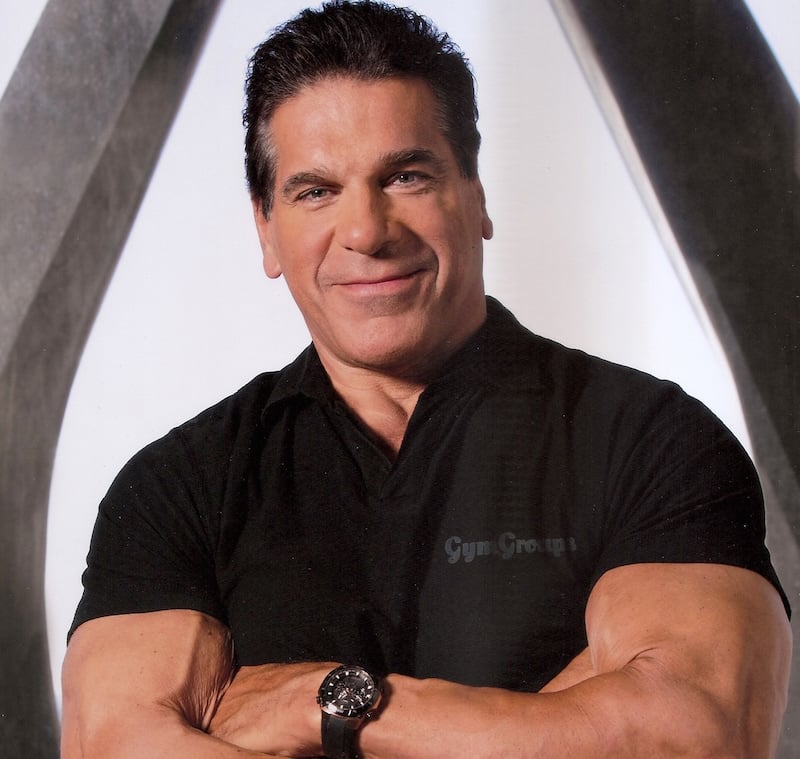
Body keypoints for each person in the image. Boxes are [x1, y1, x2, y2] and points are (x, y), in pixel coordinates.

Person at [61, 2, 791, 757]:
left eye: (406, 177)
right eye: (316, 191)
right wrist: (549, 722)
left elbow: (692, 737)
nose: (367, 231)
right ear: (266, 229)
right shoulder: (178, 488)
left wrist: (315, 705)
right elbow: (113, 746)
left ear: (476, 196)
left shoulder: (653, 441)